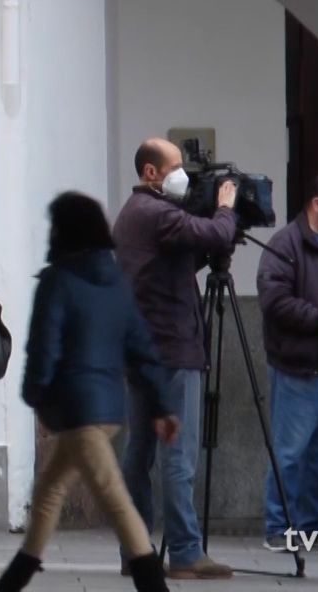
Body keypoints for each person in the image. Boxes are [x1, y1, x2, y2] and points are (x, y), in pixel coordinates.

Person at [0, 192, 180, 592]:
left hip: (76, 412)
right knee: (50, 489)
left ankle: (153, 586)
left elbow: (44, 346)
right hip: (108, 409)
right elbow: (142, 348)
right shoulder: (117, 282)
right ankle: (11, 583)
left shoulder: (57, 280)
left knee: (113, 497)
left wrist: (35, 393)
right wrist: (162, 403)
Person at [111, 138, 238, 579]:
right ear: (151, 173)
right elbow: (218, 233)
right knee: (176, 453)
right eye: (176, 167)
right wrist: (226, 207)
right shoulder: (156, 213)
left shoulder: (135, 215)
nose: (182, 175)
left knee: (139, 453)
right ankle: (185, 551)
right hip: (171, 349)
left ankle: (136, 550)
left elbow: (175, 265)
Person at [256, 172, 318, 552]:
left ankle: (312, 523)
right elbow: (274, 301)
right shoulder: (287, 245)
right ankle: (278, 526)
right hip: (299, 364)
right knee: (290, 449)